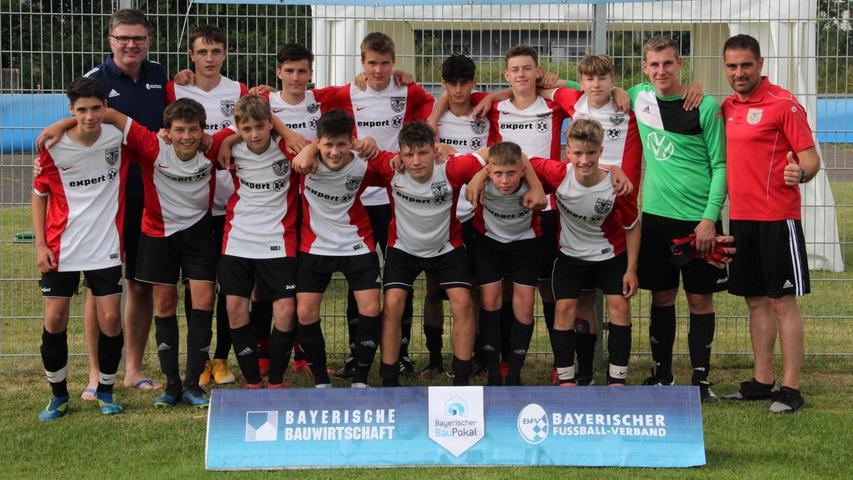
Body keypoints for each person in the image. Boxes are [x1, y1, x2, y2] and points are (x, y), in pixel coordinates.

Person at [720, 34, 820, 413]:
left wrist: (800, 173)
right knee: (756, 301)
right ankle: (763, 382)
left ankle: (791, 388)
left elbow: (811, 160)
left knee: (781, 302)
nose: (739, 72)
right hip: (741, 220)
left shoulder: (784, 104)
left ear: (760, 64)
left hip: (779, 219)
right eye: (732, 66)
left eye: (746, 65)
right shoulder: (727, 107)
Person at [329, 32, 435, 378]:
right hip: (357, 197)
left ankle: (400, 353)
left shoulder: (408, 90)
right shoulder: (347, 91)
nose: (378, 70)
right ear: (362, 62)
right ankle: (354, 353)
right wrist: (266, 92)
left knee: (396, 281)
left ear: (394, 64)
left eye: (385, 63)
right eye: (372, 63)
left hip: (396, 199)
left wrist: (410, 78)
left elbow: (442, 103)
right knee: (358, 278)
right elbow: (303, 99)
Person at [629, 36, 727, 402]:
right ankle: (663, 375)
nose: (660, 71)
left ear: (680, 64)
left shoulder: (704, 106)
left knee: (701, 301)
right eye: (654, 65)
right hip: (656, 219)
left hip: (699, 222)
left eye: (667, 64)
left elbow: (720, 166)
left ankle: (701, 381)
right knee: (662, 297)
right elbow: (591, 87)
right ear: (644, 68)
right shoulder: (639, 96)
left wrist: (709, 219)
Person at [541, 54, 643, 385]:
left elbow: (663, 90)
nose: (596, 85)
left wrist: (623, 91)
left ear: (613, 79)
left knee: (618, 305)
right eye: (589, 79)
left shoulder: (630, 105)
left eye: (603, 79)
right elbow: (538, 88)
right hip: (576, 233)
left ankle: (617, 382)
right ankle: (577, 376)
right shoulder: (572, 100)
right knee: (575, 305)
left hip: (614, 199)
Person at [33, 77, 128, 419]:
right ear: (71, 111)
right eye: (81, 110)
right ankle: (58, 396)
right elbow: (40, 194)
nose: (90, 116)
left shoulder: (118, 138)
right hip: (62, 246)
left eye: (96, 108)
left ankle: (105, 390)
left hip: (105, 245)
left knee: (111, 319)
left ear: (106, 108)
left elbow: (142, 132)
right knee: (55, 320)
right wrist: (41, 244)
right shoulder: (53, 145)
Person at [82, 9, 165, 392]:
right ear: (110, 40)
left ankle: (133, 369)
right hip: (104, 203)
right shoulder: (93, 82)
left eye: (139, 38)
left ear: (148, 40)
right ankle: (96, 373)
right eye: (123, 38)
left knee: (140, 284)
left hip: (151, 198)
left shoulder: (163, 77)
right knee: (100, 288)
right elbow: (74, 131)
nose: (131, 45)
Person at [372, 122, 492, 386]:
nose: (416, 162)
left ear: (434, 150)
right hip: (404, 247)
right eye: (409, 154)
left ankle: (461, 379)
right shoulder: (389, 168)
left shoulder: (452, 168)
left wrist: (481, 174)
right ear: (399, 155)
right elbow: (347, 153)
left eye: (423, 153)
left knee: (462, 302)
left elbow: (497, 151)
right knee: (392, 303)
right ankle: (389, 380)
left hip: (446, 247)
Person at [525, 119, 640, 386]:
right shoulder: (557, 173)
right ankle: (569, 379)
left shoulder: (618, 186)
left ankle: (616, 381)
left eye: (590, 153)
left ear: (600, 151)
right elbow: (521, 159)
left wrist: (632, 269)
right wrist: (536, 190)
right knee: (565, 308)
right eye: (577, 153)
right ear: (568, 152)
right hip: (571, 254)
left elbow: (633, 227)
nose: (584, 160)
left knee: (619, 307)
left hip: (610, 254)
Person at [165, 24, 247, 386]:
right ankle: (197, 362)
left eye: (216, 51)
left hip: (232, 206)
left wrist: (223, 139)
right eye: (202, 52)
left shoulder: (239, 91)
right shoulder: (175, 88)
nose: (209, 58)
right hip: (191, 206)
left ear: (225, 54)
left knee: (228, 287)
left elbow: (249, 128)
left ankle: (220, 359)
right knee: (196, 288)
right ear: (191, 56)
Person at [291, 109, 396, 387]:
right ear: (317, 141)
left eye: (341, 144)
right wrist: (310, 150)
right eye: (327, 145)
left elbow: (400, 162)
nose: (335, 152)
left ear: (352, 141)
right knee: (304, 313)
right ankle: (321, 380)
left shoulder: (365, 164)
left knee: (372, 308)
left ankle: (361, 379)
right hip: (314, 247)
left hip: (356, 245)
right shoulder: (303, 161)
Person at [216, 95, 299, 389]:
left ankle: (276, 379)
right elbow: (197, 140)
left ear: (270, 124)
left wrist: (294, 138)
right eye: (247, 128)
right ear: (238, 127)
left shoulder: (288, 147)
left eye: (260, 127)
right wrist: (226, 140)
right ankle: (252, 380)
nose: (254, 134)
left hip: (279, 240)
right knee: (235, 307)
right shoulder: (231, 146)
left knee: (287, 310)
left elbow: (313, 150)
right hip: (238, 238)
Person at [420, 54, 493, 378]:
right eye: (453, 84)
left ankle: (476, 355)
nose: (459, 90)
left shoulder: (487, 113)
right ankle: (435, 358)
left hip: (476, 213)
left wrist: (458, 155)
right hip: (440, 212)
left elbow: (498, 154)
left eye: (465, 83)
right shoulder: (431, 119)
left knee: (474, 288)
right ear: (443, 84)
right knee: (434, 288)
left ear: (474, 83)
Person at [464, 142, 545, 386]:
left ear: (522, 170)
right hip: (489, 242)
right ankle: (493, 373)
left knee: (525, 305)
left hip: (525, 243)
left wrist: (614, 171)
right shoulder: (480, 178)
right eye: (498, 173)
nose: (505, 180)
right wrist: (478, 175)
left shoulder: (537, 176)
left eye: (511, 173)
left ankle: (514, 374)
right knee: (489, 300)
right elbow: (444, 154)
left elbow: (576, 168)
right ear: (489, 171)